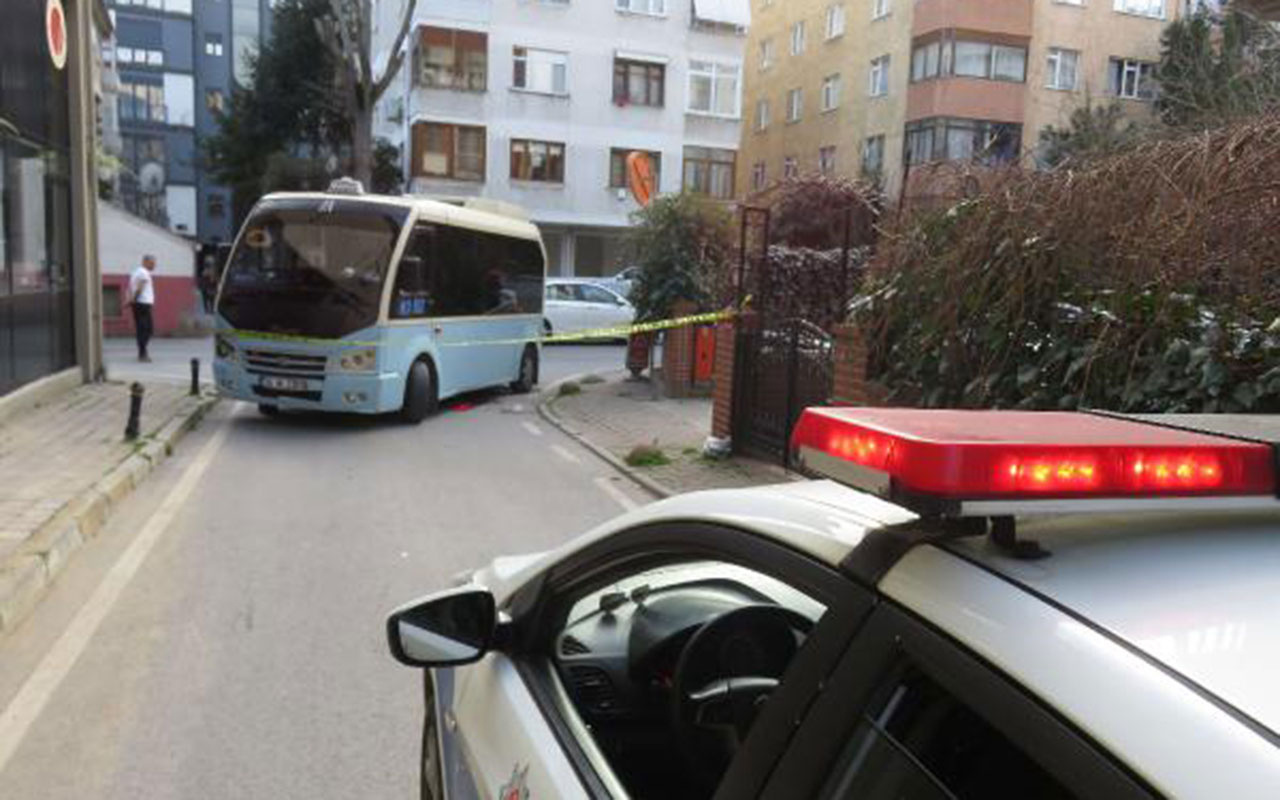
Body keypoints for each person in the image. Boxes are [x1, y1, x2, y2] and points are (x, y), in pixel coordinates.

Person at [129, 255, 157, 362]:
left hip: (139, 304)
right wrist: (134, 299)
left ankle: (142, 352)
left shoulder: (135, 272)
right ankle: (142, 353)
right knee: (147, 329)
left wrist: (131, 300)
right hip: (142, 304)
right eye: (152, 263)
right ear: (145, 262)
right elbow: (140, 287)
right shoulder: (143, 273)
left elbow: (131, 288)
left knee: (142, 329)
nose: (154, 266)